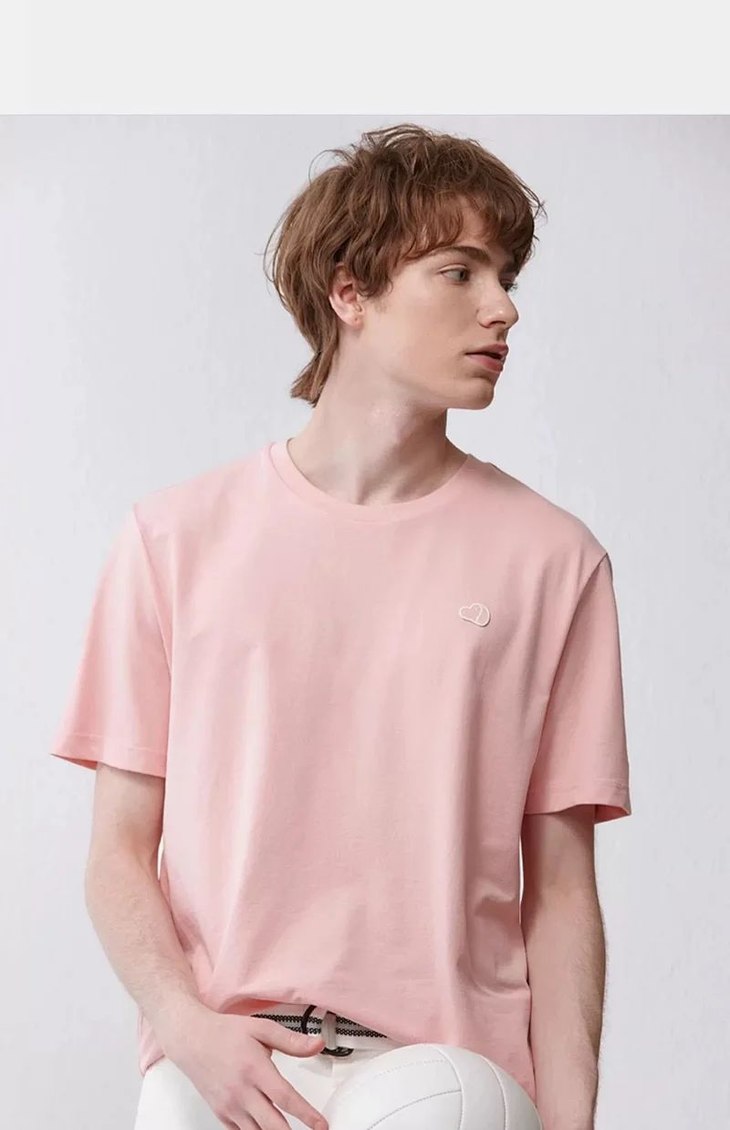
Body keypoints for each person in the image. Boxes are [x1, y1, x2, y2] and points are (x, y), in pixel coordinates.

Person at [50, 122, 632, 1130]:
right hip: (222, 1061)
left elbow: (562, 890)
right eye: (460, 271)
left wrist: (573, 1120)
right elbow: (118, 852)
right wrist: (186, 1026)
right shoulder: (173, 539)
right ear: (350, 291)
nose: (504, 307)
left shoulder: (553, 560)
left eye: (506, 276)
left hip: (444, 1071)